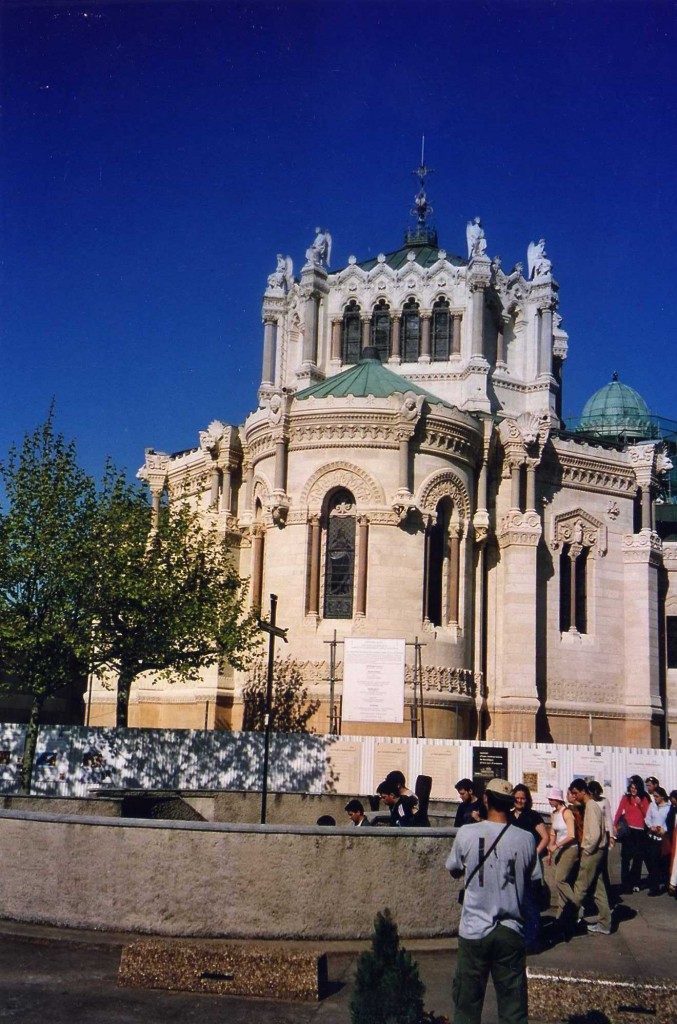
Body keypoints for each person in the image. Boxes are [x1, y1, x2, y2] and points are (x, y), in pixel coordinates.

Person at [446, 777, 540, 1024]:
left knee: (466, 1006)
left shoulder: (467, 833)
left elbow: (453, 868)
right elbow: (535, 879)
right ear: (511, 804)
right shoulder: (526, 839)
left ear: (485, 799)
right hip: (511, 930)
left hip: (474, 929)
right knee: (513, 1008)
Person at [567, 779, 611, 935]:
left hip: (592, 852)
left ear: (582, 791)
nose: (573, 796)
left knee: (580, 887)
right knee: (599, 889)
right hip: (600, 850)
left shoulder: (591, 807)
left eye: (574, 793)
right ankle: (605, 924)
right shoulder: (592, 805)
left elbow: (595, 834)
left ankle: (568, 921)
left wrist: (587, 850)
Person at [510, 784, 549, 950]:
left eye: (523, 798)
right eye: (517, 798)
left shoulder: (533, 816)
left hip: (530, 864)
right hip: (513, 864)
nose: (520, 801)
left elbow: (545, 837)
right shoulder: (509, 815)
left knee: (530, 902)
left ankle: (532, 941)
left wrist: (534, 853)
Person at [547, 787, 578, 928]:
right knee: (560, 882)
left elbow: (571, 835)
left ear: (557, 799)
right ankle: (561, 915)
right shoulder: (554, 814)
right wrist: (550, 850)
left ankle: (577, 906)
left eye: (551, 799)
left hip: (570, 849)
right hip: (559, 850)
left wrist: (557, 846)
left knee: (560, 879)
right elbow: (553, 833)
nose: (549, 801)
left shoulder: (567, 813)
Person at [613, 775, 650, 893]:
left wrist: (640, 805)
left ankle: (635, 882)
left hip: (639, 832)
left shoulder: (644, 798)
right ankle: (625, 883)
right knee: (625, 858)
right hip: (628, 831)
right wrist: (615, 824)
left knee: (637, 858)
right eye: (631, 787)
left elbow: (647, 816)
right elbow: (619, 811)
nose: (633, 790)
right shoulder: (626, 797)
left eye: (635, 787)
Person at [644, 785, 670, 896]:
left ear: (663, 796)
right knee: (653, 863)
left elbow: (670, 822)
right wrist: (651, 826)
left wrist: (664, 830)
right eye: (654, 796)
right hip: (653, 838)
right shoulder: (652, 805)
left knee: (664, 863)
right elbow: (647, 818)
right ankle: (654, 888)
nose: (655, 799)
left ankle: (666, 883)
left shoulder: (668, 807)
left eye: (657, 797)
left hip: (663, 839)